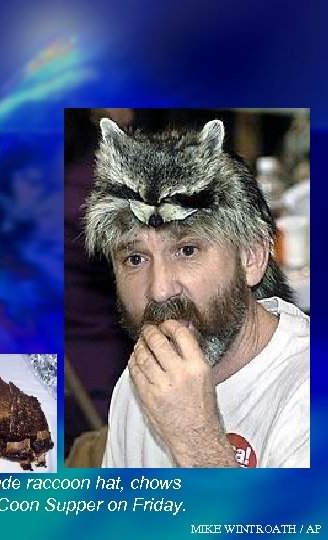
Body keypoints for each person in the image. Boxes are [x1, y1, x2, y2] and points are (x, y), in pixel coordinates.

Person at [83, 117, 309, 468]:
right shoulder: (140, 379)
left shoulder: (305, 393)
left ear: (251, 257)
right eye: (135, 258)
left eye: (187, 250)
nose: (159, 290)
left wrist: (196, 439)